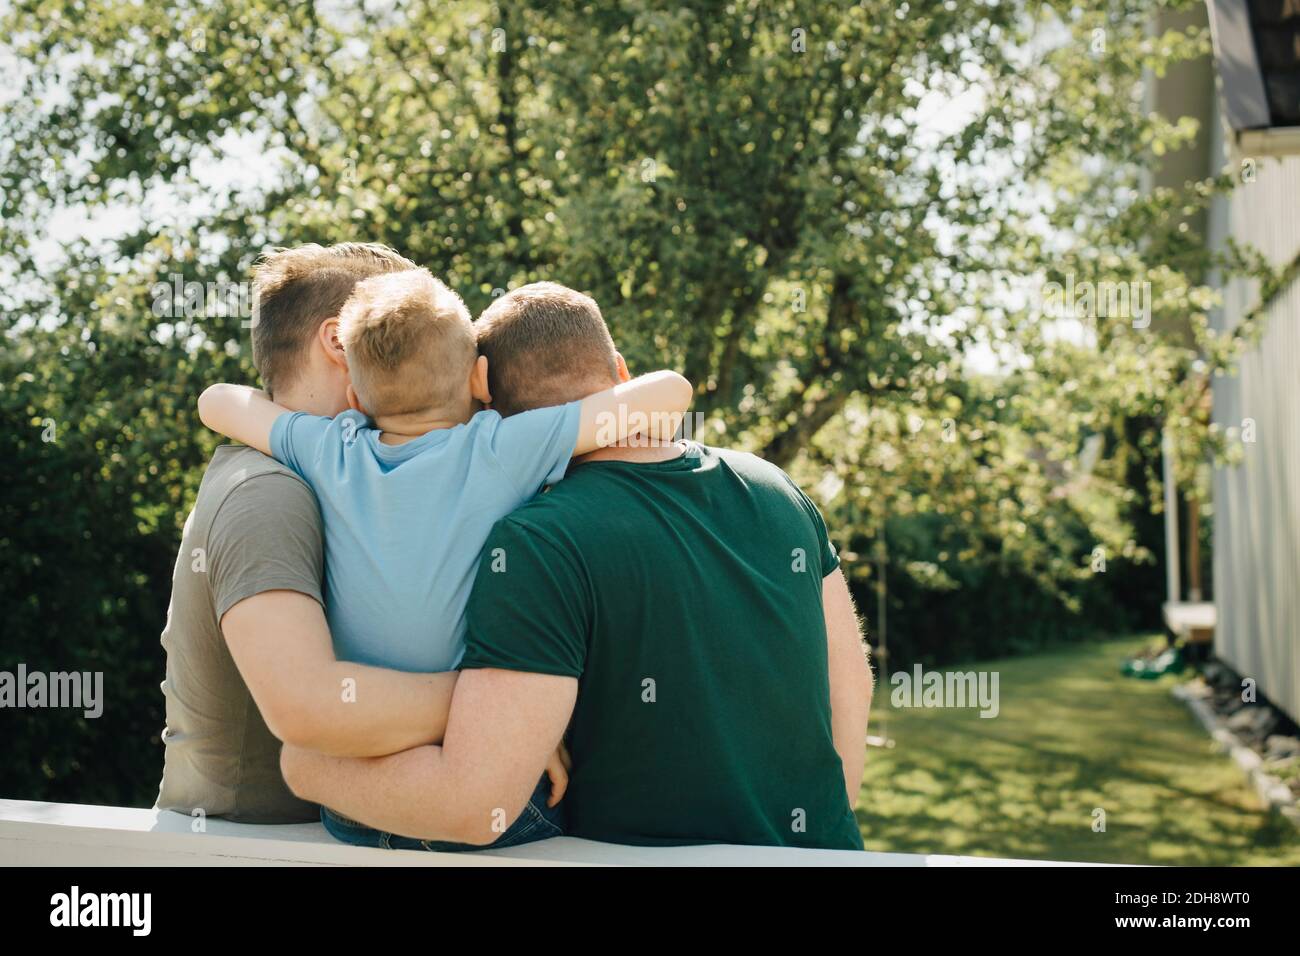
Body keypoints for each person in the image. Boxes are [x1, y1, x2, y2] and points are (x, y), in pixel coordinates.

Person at [281, 282, 873, 850]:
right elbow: (851, 683)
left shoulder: (538, 540)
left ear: (486, 394)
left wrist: (305, 763)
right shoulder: (775, 487)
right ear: (618, 371)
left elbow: (470, 803)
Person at [196, 270, 694, 848]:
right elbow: (670, 391)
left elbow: (217, 400)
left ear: (355, 397)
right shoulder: (502, 447)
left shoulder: (326, 448)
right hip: (485, 790)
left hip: (358, 800)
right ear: (481, 378)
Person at [157, 243, 459, 823]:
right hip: (241, 853)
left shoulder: (312, 472)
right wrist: (510, 711)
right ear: (341, 342)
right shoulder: (268, 493)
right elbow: (309, 707)